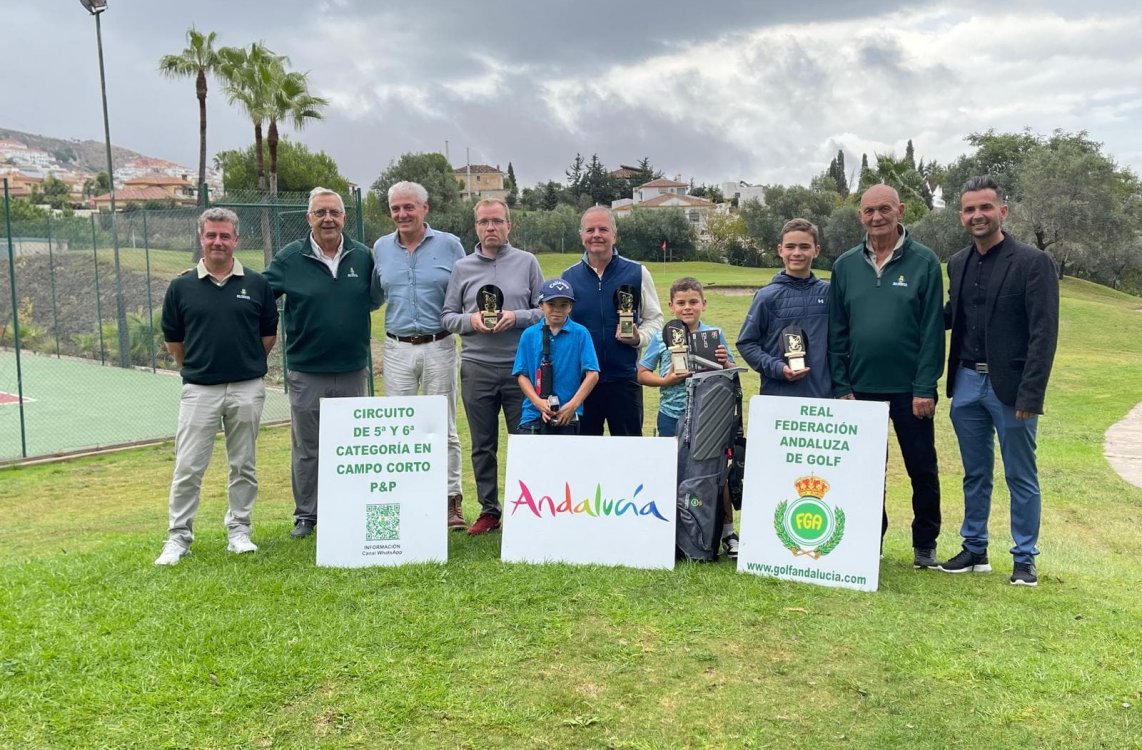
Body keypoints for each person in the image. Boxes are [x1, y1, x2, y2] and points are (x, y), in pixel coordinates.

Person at [939, 176, 1059, 587]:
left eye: (985, 207)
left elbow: (1044, 333)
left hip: (1011, 388)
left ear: (1002, 211)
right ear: (961, 216)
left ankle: (1024, 559)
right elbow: (953, 315)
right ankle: (975, 548)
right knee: (975, 472)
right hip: (967, 382)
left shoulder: (1032, 262)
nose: (977, 215)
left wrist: (1032, 392)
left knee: (1020, 475)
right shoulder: (957, 263)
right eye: (969, 209)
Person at [829, 184, 945, 570]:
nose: (876, 218)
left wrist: (925, 386)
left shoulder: (925, 261)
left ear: (901, 211)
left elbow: (931, 330)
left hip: (911, 391)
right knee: (865, 472)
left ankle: (924, 544)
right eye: (868, 211)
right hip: (859, 391)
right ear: (860, 215)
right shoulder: (845, 265)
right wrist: (841, 386)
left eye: (884, 209)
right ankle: (868, 540)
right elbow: (837, 332)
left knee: (922, 469)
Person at [155, 208, 278, 565]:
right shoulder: (181, 286)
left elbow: (267, 336)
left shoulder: (257, 284)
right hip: (200, 390)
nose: (218, 242)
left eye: (225, 236)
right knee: (189, 466)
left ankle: (239, 531)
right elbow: (174, 340)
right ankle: (178, 538)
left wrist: (243, 363)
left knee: (243, 465)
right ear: (201, 238)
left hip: (246, 388)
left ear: (236, 239)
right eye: (211, 235)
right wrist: (198, 367)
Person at [264, 187, 379, 539]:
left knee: (353, 443)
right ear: (308, 218)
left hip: (352, 368)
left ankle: (350, 506)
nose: (328, 219)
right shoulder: (289, 258)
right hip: (306, 368)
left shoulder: (364, 257)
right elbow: (261, 299)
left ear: (345, 217)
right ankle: (307, 515)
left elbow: (376, 299)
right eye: (320, 213)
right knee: (308, 447)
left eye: (334, 212)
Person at [442, 198, 544, 535]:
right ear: (476, 227)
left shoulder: (527, 262)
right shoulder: (462, 267)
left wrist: (515, 317)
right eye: (484, 222)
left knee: (524, 440)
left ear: (509, 225)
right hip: (477, 368)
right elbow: (448, 317)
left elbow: (544, 311)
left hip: (520, 370)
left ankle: (526, 507)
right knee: (483, 444)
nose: (491, 228)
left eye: (497, 221)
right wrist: (471, 320)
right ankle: (490, 511)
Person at [373, 181, 466, 528]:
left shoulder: (449, 245)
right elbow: (373, 294)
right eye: (396, 208)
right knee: (399, 428)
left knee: (443, 427)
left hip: (440, 344)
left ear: (425, 208)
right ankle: (405, 499)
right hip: (396, 349)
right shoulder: (381, 248)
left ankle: (450, 501)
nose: (402, 214)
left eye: (409, 207)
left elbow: (467, 289)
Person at [638, 276, 736, 554]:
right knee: (671, 471)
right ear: (671, 306)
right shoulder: (661, 336)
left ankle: (726, 532)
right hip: (671, 415)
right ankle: (670, 530)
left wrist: (724, 361)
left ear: (703, 304)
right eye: (681, 303)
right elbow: (641, 373)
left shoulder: (713, 334)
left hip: (708, 418)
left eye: (693, 301)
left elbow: (731, 372)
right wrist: (666, 380)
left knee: (715, 473)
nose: (687, 307)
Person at [562, 206, 664, 436]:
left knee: (629, 454)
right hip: (583, 384)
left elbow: (655, 319)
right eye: (590, 230)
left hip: (625, 380)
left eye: (603, 229)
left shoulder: (637, 272)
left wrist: (639, 338)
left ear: (614, 236)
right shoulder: (569, 277)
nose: (596, 234)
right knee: (586, 456)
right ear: (582, 237)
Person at [737, 218, 831, 398]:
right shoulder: (766, 296)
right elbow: (747, 343)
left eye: (804, 247)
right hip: (779, 396)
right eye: (790, 247)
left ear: (816, 250)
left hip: (823, 396)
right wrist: (779, 368)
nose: (797, 253)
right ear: (780, 250)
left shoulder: (829, 294)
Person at [513, 279, 600, 435]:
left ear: (571, 307)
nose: (557, 310)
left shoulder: (581, 334)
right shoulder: (529, 334)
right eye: (551, 304)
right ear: (541, 305)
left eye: (563, 305)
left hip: (567, 415)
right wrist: (538, 402)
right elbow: (522, 375)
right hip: (533, 414)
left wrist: (573, 404)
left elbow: (592, 374)